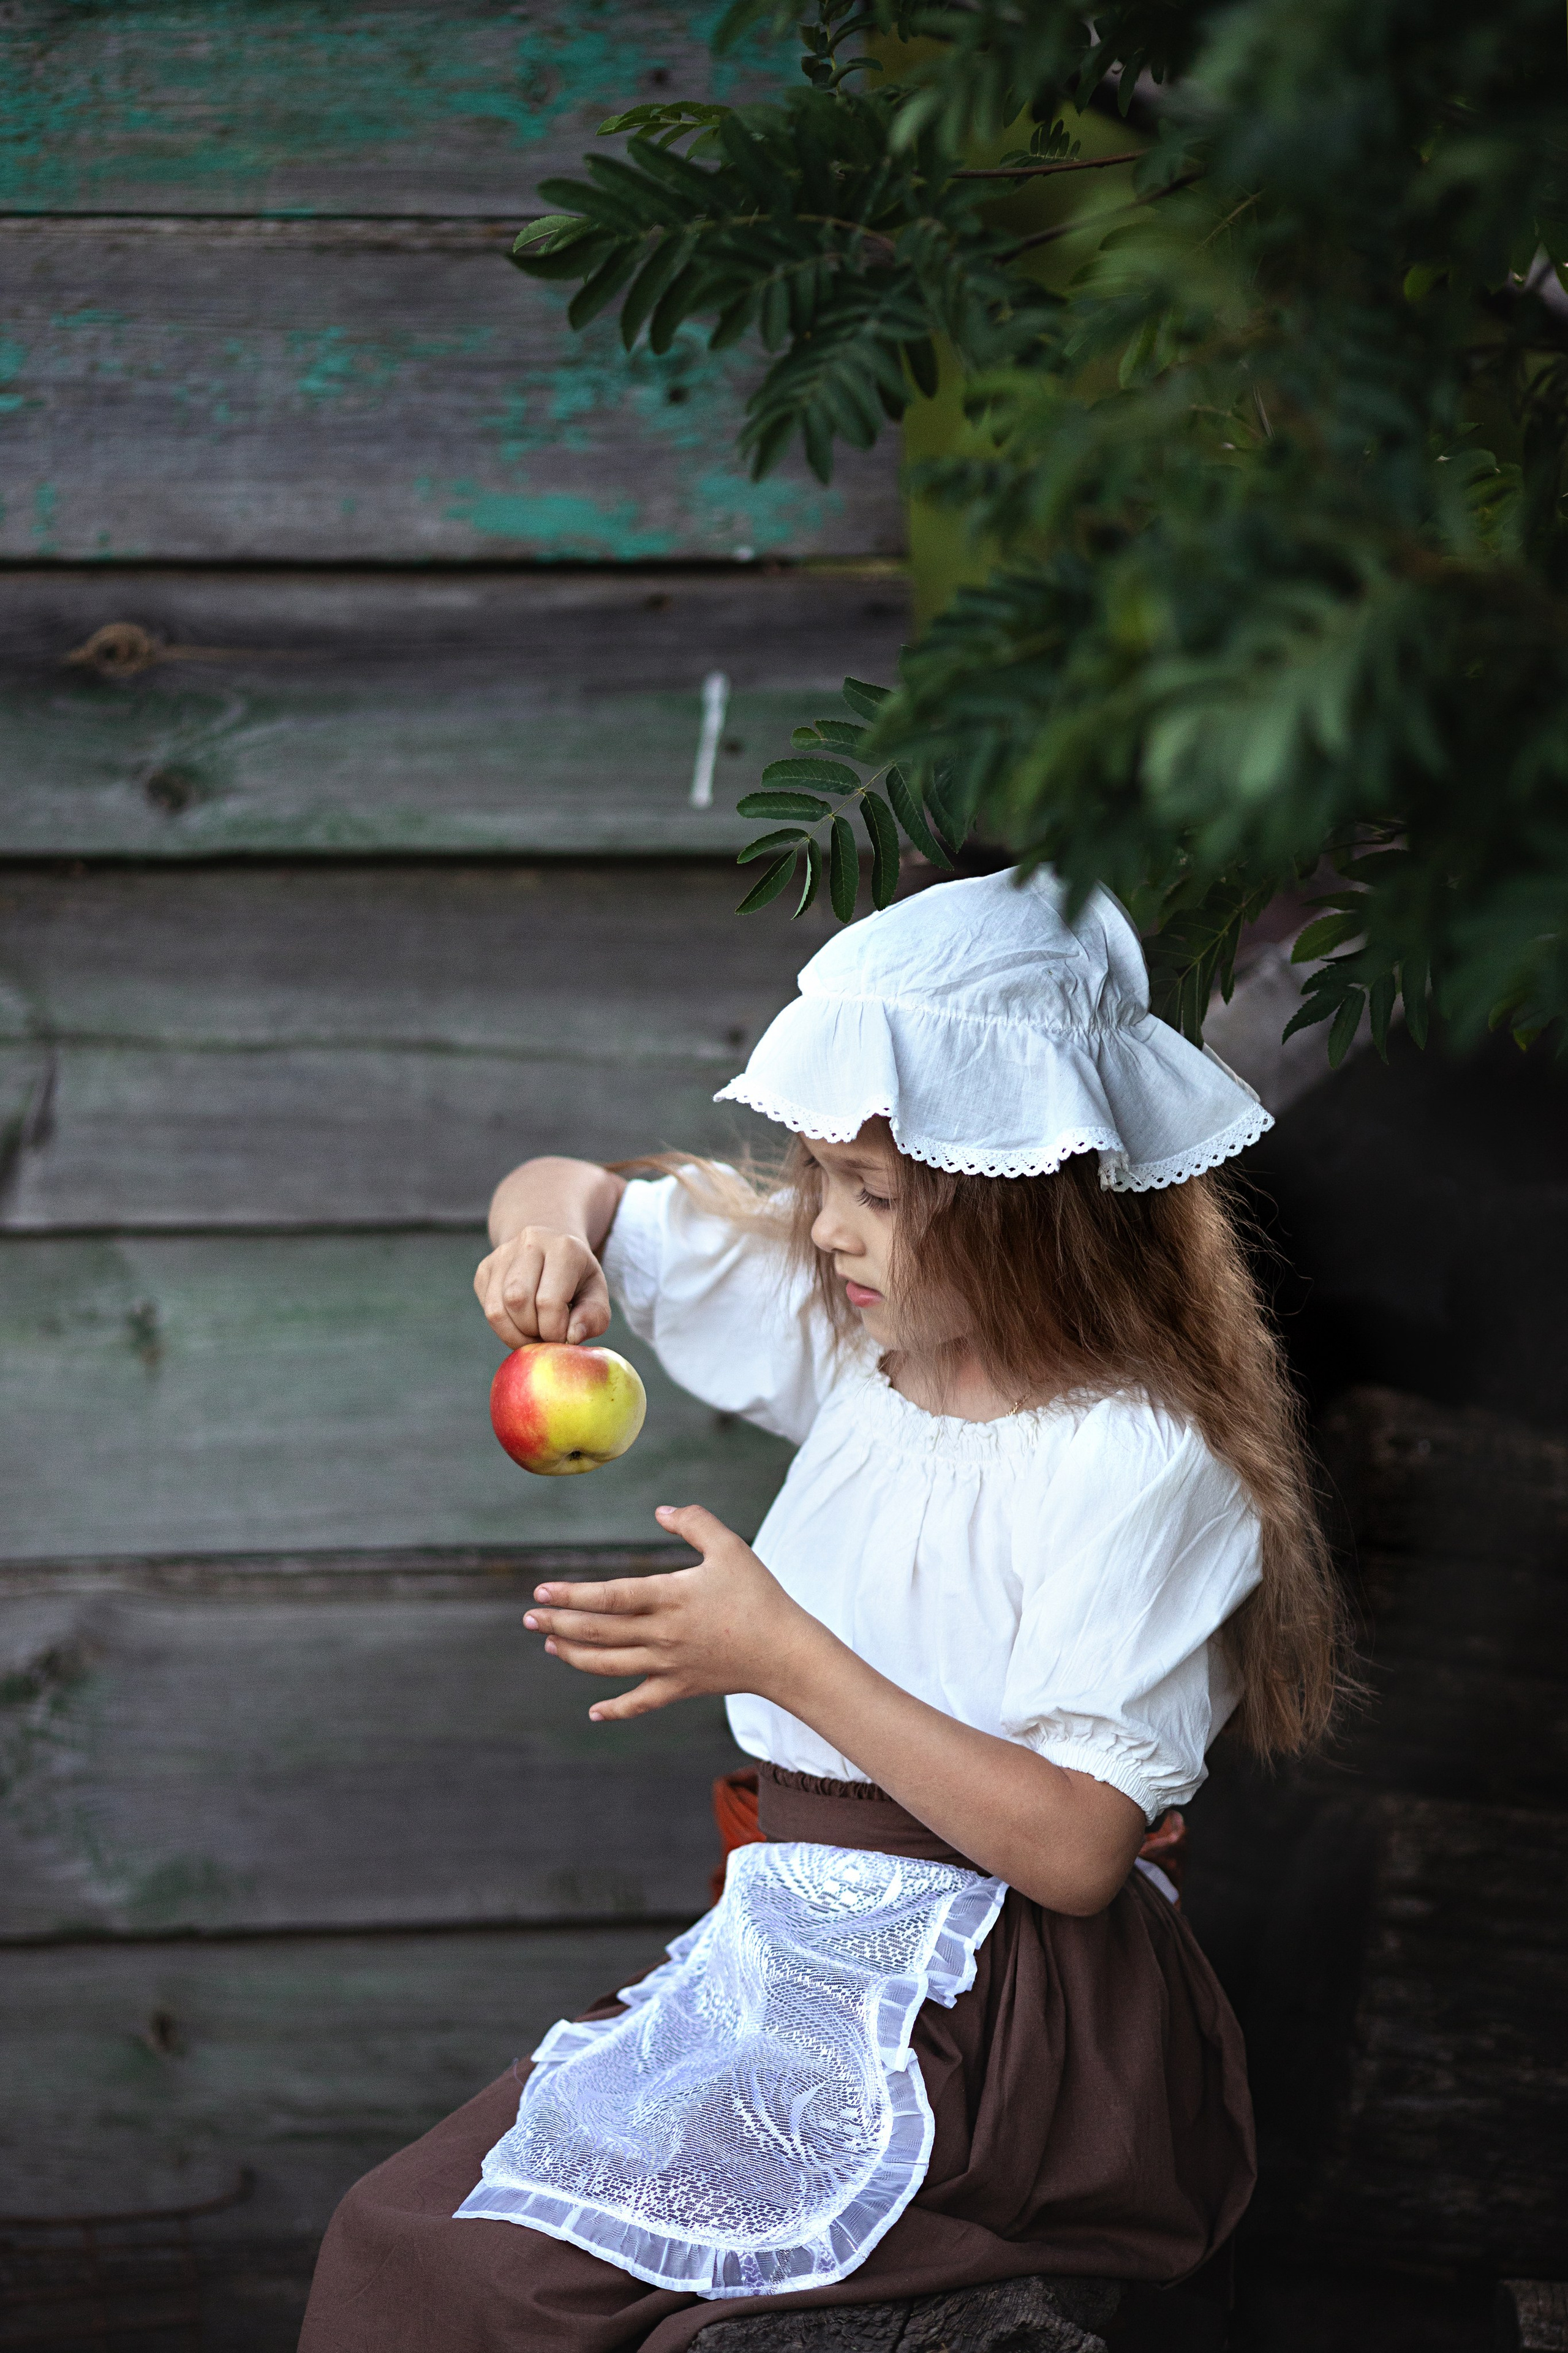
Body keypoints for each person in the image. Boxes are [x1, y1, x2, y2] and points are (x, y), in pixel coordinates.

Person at [300, 867, 1344, 2353]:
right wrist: (547, 1239)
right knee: (409, 2239)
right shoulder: (866, 1339)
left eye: (871, 1192)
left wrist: (779, 1649)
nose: (825, 1228)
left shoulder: (1137, 1461)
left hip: (991, 2018)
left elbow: (1074, 1848)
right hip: (794, 1950)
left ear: (1018, 1203)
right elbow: (572, 1186)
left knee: (518, 2293)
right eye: (814, 1175)